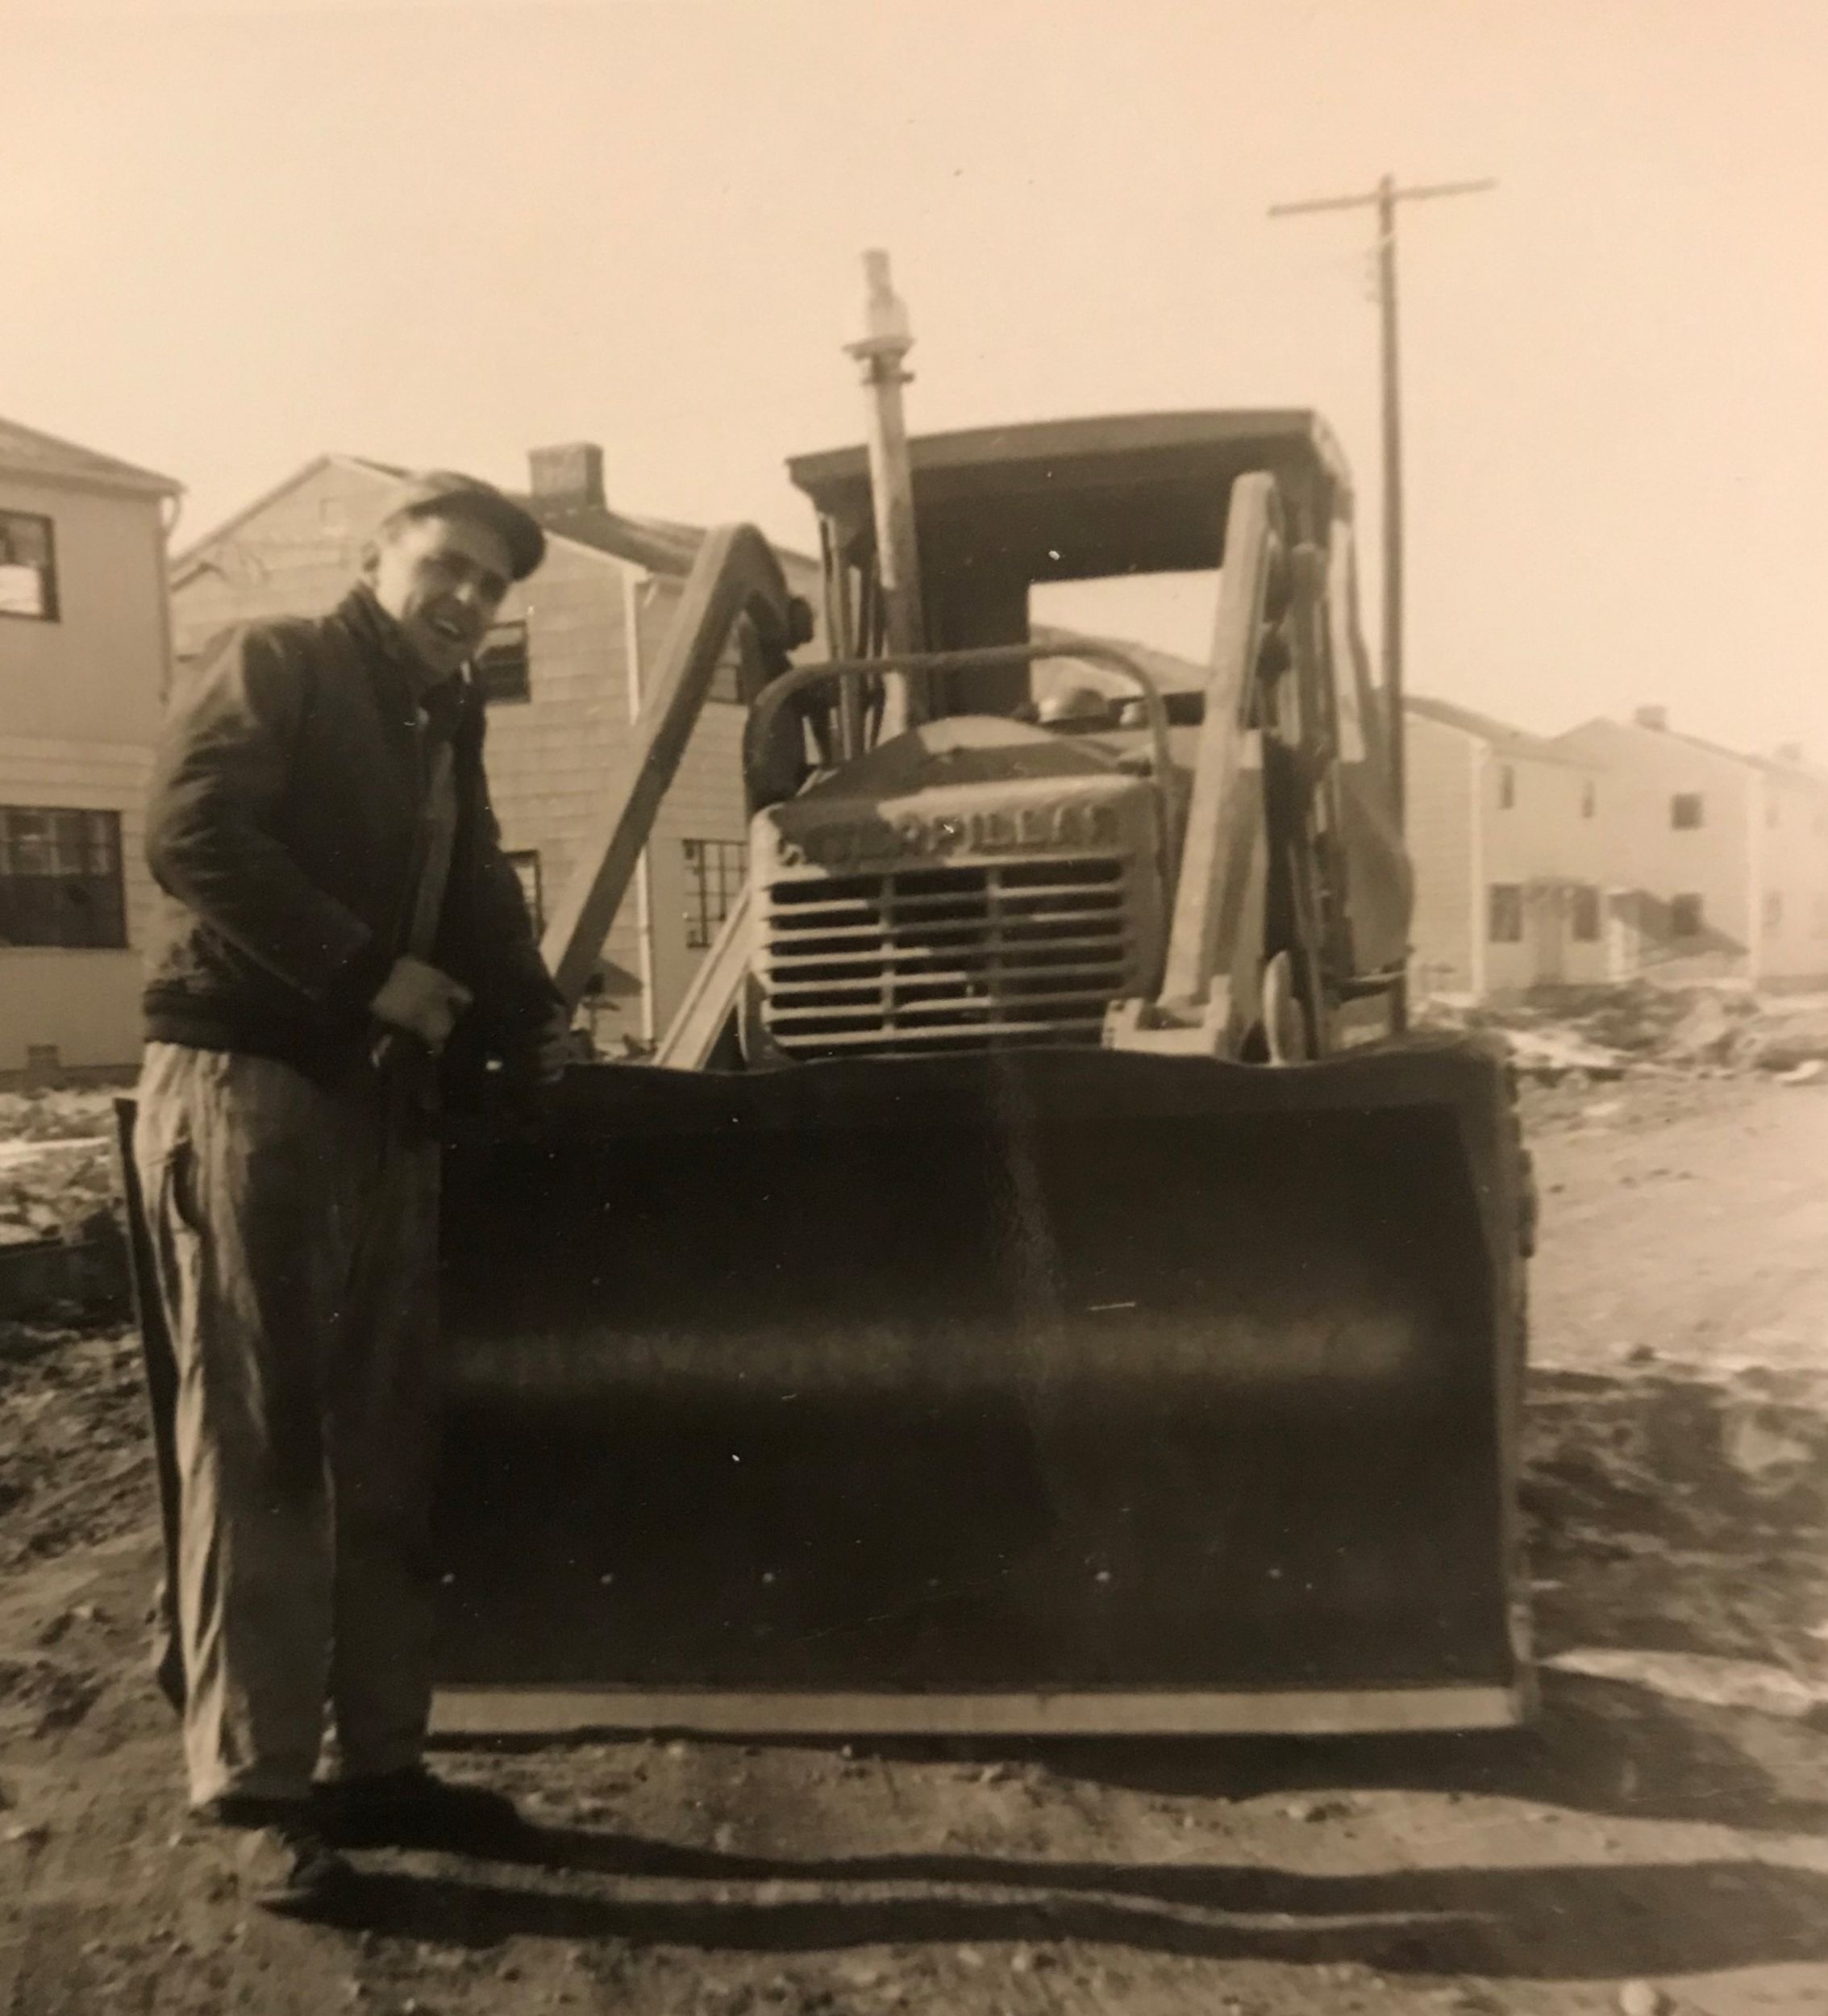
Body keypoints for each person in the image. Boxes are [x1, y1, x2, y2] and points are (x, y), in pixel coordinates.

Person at [134, 473, 569, 1914]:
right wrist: (361, 973)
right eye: (445, 566)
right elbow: (192, 832)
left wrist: (533, 1018)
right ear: (375, 557)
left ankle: (379, 1765)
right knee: (264, 1443)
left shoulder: (445, 714)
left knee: (384, 1443)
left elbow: (475, 898)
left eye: (493, 587)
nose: (466, 600)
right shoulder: (286, 661)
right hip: (250, 1090)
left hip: (384, 1103)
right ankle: (256, 1791)